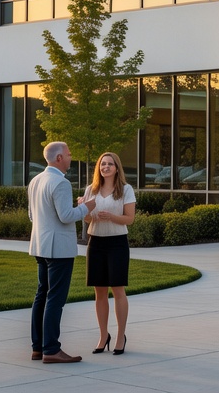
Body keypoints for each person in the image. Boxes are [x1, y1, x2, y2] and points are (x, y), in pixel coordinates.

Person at [27, 141, 98, 364]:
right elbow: (66, 216)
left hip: (40, 245)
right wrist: (88, 206)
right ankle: (51, 349)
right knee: (55, 299)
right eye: (68, 154)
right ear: (59, 158)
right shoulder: (61, 183)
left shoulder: (35, 181)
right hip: (59, 250)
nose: (70, 157)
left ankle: (38, 347)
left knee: (42, 295)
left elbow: (32, 215)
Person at [80, 151, 136, 356]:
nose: (105, 167)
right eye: (102, 164)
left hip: (117, 244)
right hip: (95, 243)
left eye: (110, 164)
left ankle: (121, 336)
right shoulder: (90, 189)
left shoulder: (125, 190)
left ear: (117, 167)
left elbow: (129, 219)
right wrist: (83, 210)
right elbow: (86, 219)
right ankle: (103, 336)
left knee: (118, 290)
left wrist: (111, 216)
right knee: (99, 292)